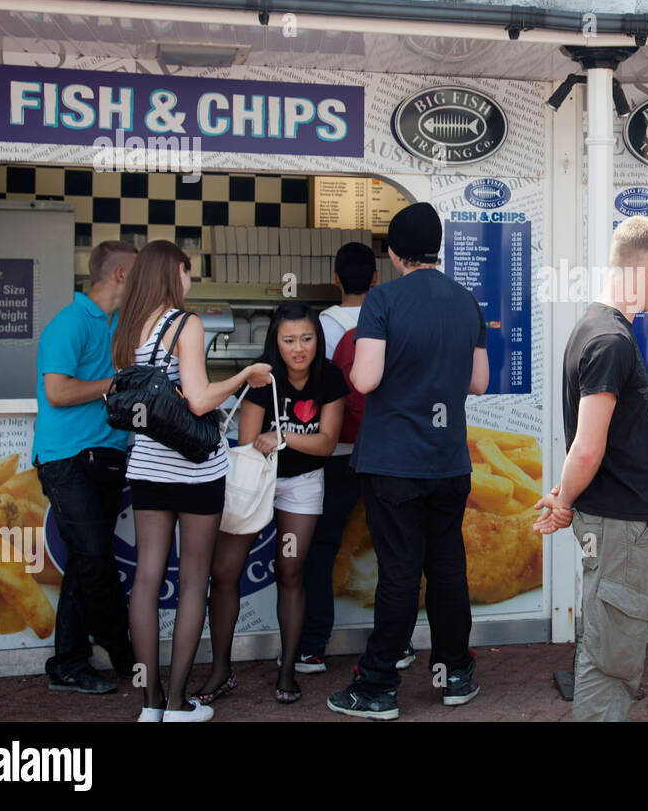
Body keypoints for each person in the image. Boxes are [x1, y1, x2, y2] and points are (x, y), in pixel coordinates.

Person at [327, 203, 489, 721]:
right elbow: (478, 383)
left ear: (393, 254)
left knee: (398, 572)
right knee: (446, 567)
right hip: (449, 462)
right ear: (436, 249)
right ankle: (456, 674)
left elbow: (367, 380)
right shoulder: (467, 302)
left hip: (394, 461)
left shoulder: (383, 299)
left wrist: (367, 367)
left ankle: (377, 687)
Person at [112, 240, 272, 722]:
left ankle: (150, 702)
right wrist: (244, 374)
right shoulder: (186, 323)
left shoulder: (126, 330)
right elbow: (200, 401)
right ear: (177, 271)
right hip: (195, 472)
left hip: (147, 470)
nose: (189, 280)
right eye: (188, 272)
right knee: (192, 581)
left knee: (145, 579)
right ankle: (180, 703)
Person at [534, 216, 648, 722]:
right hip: (618, 523)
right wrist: (564, 500)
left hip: (611, 518)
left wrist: (563, 494)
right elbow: (589, 447)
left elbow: (588, 443)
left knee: (605, 638)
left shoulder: (593, 328)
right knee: (611, 656)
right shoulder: (611, 339)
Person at [197, 302, 348, 707]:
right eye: (288, 340)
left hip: (301, 484)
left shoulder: (330, 378)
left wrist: (282, 438)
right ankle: (221, 670)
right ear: (275, 342)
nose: (299, 348)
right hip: (256, 481)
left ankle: (287, 671)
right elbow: (248, 443)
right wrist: (275, 441)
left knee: (291, 569)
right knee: (225, 569)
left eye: (306, 338)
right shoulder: (263, 378)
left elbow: (327, 443)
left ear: (318, 337)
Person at [293, 241, 404, 674]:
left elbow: (309, 388)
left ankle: (313, 646)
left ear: (335, 279)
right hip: (385, 451)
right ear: (376, 278)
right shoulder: (391, 316)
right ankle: (396, 645)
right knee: (392, 547)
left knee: (322, 547)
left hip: (335, 451)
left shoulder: (320, 326)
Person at [33, 240, 137, 695]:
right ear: (118, 275)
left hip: (107, 457)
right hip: (65, 458)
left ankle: (69, 664)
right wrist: (114, 383)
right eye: (139, 272)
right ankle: (121, 650)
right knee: (93, 555)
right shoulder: (70, 322)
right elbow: (56, 392)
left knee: (83, 560)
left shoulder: (120, 324)